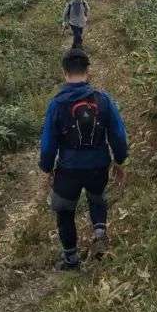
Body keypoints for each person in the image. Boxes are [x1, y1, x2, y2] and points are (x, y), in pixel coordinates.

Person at [38, 48, 128, 271]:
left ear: (64, 72)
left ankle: (71, 259)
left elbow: (48, 143)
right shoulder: (103, 99)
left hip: (69, 169)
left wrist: (47, 167)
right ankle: (99, 234)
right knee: (97, 198)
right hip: (98, 164)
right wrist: (119, 160)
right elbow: (118, 134)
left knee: (65, 211)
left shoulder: (57, 104)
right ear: (88, 71)